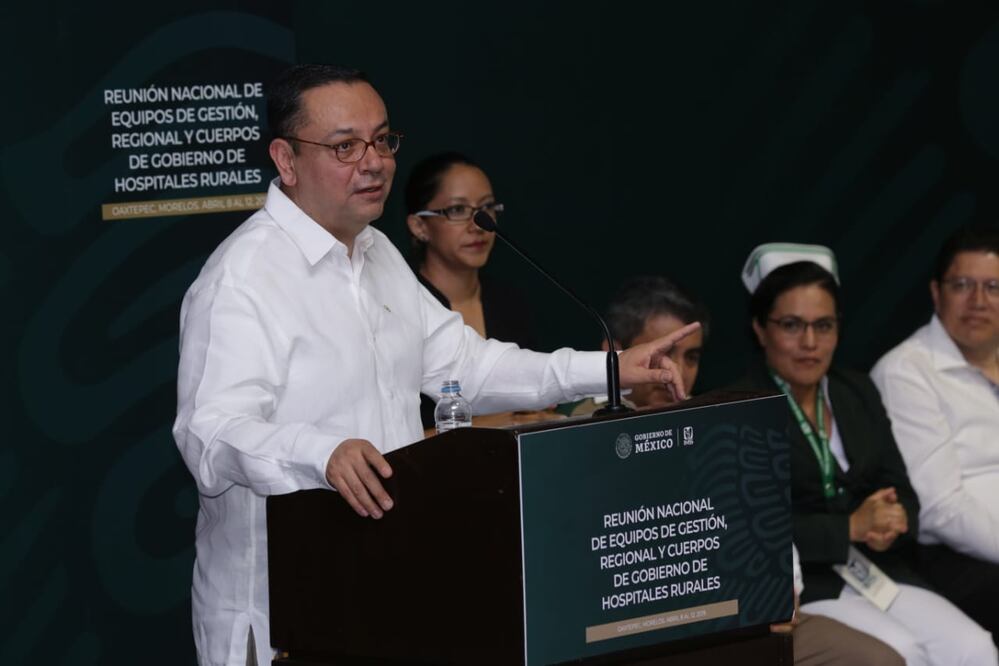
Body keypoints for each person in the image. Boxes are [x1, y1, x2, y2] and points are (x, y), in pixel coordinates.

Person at [172, 64, 697, 666]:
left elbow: (467, 368)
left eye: (382, 140)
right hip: (281, 614)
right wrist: (319, 452)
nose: (372, 162)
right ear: (286, 161)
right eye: (345, 147)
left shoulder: (377, 254)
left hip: (387, 587)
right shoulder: (242, 277)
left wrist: (606, 371)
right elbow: (208, 435)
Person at [731, 243, 996, 666]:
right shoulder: (740, 409)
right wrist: (849, 526)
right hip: (808, 586)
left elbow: (903, 489)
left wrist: (893, 517)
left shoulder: (855, 391)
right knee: (902, 654)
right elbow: (748, 530)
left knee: (974, 649)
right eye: (792, 325)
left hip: (879, 571)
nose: (810, 342)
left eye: (824, 325)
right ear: (761, 330)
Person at [871, 224, 999, 642]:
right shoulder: (907, 371)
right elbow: (942, 509)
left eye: (993, 287)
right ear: (935, 292)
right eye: (962, 285)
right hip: (952, 556)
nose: (979, 302)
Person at [404, 152, 541, 429]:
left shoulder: (509, 302)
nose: (477, 224)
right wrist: (496, 423)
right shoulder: (402, 306)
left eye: (486, 208)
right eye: (457, 210)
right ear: (420, 227)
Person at [560, 275, 708, 415]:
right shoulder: (567, 422)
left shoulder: (708, 419)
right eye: (662, 355)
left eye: (691, 358)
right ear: (615, 353)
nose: (678, 373)